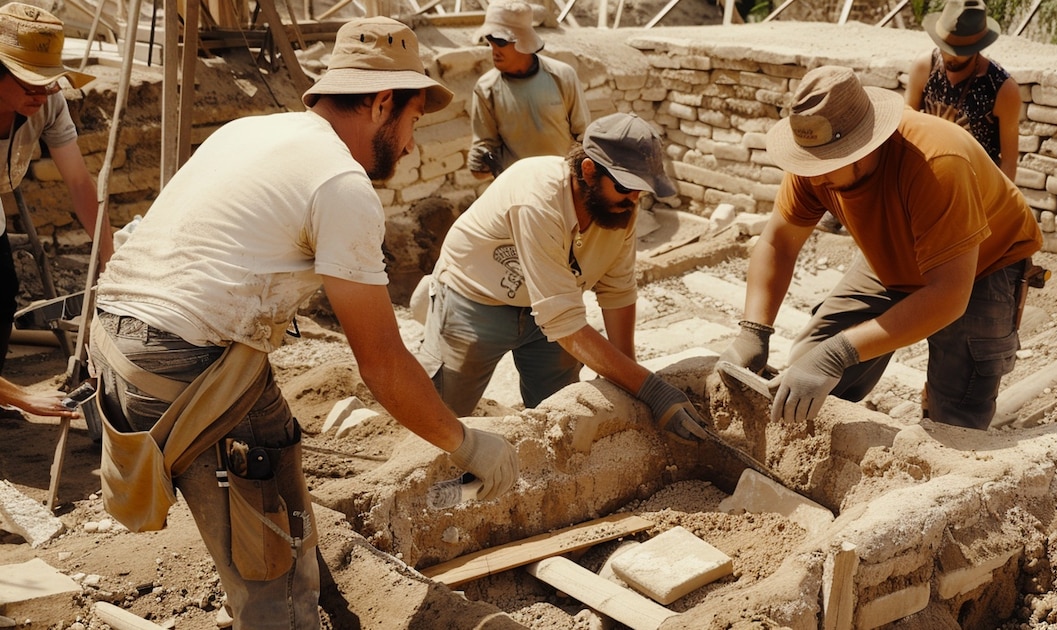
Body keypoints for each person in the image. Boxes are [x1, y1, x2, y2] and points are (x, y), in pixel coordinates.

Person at [90, 18, 518, 629]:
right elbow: (382, 363)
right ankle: (285, 606)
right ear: (379, 103)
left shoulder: (250, 131)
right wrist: (467, 442)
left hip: (121, 341)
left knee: (275, 441)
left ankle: (316, 594)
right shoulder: (340, 184)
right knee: (267, 573)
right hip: (180, 358)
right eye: (412, 123)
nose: (412, 146)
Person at [719, 66, 1042, 431]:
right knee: (806, 368)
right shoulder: (815, 160)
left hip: (983, 261)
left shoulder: (936, 163)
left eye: (825, 166)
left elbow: (949, 294)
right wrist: (753, 330)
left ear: (860, 148)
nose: (812, 177)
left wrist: (839, 353)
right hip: (894, 252)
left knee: (954, 420)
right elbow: (778, 243)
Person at [416, 112, 705, 443]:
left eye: (643, 190)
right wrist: (653, 390)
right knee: (442, 419)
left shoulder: (621, 207)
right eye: (626, 186)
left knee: (560, 417)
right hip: (475, 302)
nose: (634, 200)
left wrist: (631, 382)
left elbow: (617, 290)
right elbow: (564, 323)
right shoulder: (537, 200)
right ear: (588, 171)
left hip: (551, 314)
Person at [0, 3, 113, 381]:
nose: (42, 90)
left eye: (48, 79)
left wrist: (108, 264)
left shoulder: (48, 102)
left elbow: (80, 183)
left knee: (3, 289)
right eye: (29, 80)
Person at [467, 0, 589, 179]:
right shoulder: (486, 89)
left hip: (563, 182)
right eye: (490, 40)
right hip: (517, 188)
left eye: (500, 41)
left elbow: (583, 137)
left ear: (522, 41)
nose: (493, 50)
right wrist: (479, 161)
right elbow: (483, 152)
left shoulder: (562, 76)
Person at [904, 0, 1020, 181]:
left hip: (977, 190)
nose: (949, 56)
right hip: (926, 182)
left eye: (959, 51)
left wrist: (998, 207)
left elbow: (1009, 162)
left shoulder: (1003, 89)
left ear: (977, 46)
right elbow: (905, 129)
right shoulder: (924, 67)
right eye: (945, 46)